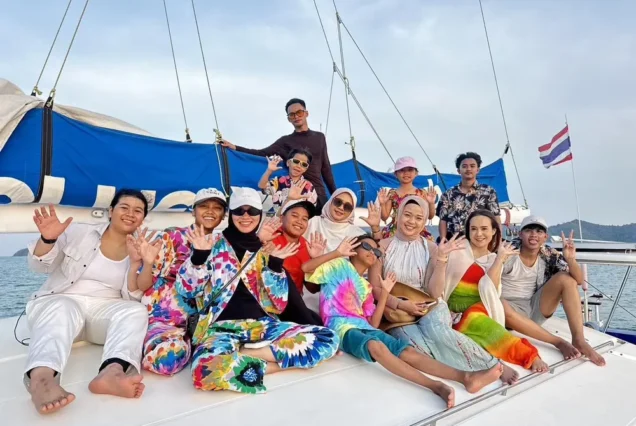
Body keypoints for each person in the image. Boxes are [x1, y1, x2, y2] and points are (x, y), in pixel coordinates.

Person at [305, 234, 503, 409]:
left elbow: (373, 324)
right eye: (366, 246)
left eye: (376, 250)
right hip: (340, 328)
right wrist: (337, 253)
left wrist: (385, 293)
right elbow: (306, 267)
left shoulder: (365, 286)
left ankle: (465, 377)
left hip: (363, 326)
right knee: (376, 346)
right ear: (353, 249)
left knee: (407, 350)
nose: (372, 252)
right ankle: (435, 385)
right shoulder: (338, 265)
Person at [175, 187, 339, 394]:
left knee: (328, 339)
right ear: (230, 214)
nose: (246, 216)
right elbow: (186, 291)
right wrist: (198, 258)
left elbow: (278, 304)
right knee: (204, 372)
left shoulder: (264, 251)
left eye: (252, 211)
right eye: (239, 211)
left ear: (259, 215)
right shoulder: (210, 243)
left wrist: (276, 266)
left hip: (262, 326)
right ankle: (272, 365)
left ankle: (249, 356)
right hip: (220, 328)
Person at [23, 190, 150, 414]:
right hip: (59, 303)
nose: (130, 214)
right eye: (124, 207)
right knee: (64, 306)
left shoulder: (142, 246)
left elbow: (133, 294)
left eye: (138, 211)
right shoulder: (79, 231)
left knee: (136, 310)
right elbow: (40, 266)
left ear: (143, 218)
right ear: (111, 211)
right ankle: (42, 379)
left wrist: (138, 262)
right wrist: (48, 239)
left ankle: (112, 372)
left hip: (102, 313)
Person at [370, 196, 519, 385]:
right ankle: (466, 375)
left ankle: (493, 366)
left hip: (429, 306)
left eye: (418, 218)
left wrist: (441, 260)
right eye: (407, 215)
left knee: (437, 331)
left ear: (424, 221)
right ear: (398, 216)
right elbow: (374, 288)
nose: (411, 222)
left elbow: (434, 292)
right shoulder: (382, 248)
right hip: (395, 312)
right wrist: (400, 304)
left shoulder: (431, 247)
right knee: (417, 347)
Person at [427, 209, 549, 372]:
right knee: (477, 329)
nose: (479, 234)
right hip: (450, 310)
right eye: (474, 229)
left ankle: (527, 355)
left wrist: (499, 259)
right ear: (468, 231)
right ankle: (517, 358)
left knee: (485, 326)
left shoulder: (493, 258)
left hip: (478, 310)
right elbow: (435, 291)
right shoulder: (454, 250)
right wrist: (441, 258)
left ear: (493, 231)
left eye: (484, 229)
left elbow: (491, 291)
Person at [127, 188, 228, 377]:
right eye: (204, 206)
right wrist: (146, 263)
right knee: (166, 361)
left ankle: (191, 346)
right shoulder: (171, 238)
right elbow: (143, 285)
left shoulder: (224, 245)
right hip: (165, 321)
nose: (210, 211)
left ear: (223, 215)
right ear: (193, 210)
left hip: (205, 323)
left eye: (217, 208)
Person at [500, 216, 605, 366]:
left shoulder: (548, 255)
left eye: (539, 231)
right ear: (520, 234)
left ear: (545, 237)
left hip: (533, 308)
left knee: (566, 279)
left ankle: (579, 339)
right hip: (508, 312)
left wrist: (570, 259)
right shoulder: (508, 250)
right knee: (499, 302)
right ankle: (558, 342)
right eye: (528, 230)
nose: (534, 234)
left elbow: (579, 280)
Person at [220, 98, 336, 209]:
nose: (296, 116)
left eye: (299, 112)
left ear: (306, 113)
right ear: (289, 119)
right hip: (293, 196)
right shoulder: (285, 141)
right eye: (292, 114)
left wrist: (335, 195)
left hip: (318, 194)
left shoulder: (319, 137)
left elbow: (326, 168)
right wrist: (234, 147)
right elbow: (261, 153)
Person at [436, 152, 501, 240]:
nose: (468, 169)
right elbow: (443, 220)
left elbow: (496, 218)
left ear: (477, 170)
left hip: (480, 242)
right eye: (464, 166)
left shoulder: (488, 192)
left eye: (472, 166)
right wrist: (443, 241)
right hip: (454, 243)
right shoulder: (448, 194)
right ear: (458, 170)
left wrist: (498, 241)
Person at [270, 199, 324, 296]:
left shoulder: (308, 247)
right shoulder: (269, 237)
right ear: (282, 218)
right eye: (295, 215)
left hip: (294, 303)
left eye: (305, 219)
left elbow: (312, 289)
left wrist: (316, 261)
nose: (300, 221)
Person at [303, 188, 381, 252]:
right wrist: (290, 199)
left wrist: (375, 228)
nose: (341, 208)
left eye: (347, 207)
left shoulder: (356, 234)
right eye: (338, 202)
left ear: (352, 211)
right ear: (330, 201)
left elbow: (375, 254)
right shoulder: (312, 222)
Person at [377, 156, 436, 240]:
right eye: (402, 170)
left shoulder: (422, 193)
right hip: (395, 231)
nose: (406, 173)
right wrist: (382, 204)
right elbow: (384, 217)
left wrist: (431, 203)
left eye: (410, 170)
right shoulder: (392, 193)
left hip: (416, 229)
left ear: (416, 173)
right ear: (396, 174)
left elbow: (430, 216)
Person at [258, 148, 318, 214]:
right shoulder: (278, 181)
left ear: (305, 169)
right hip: (275, 220)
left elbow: (310, 210)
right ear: (288, 163)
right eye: (296, 161)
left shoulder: (309, 187)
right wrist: (269, 170)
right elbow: (262, 185)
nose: (299, 166)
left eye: (304, 164)